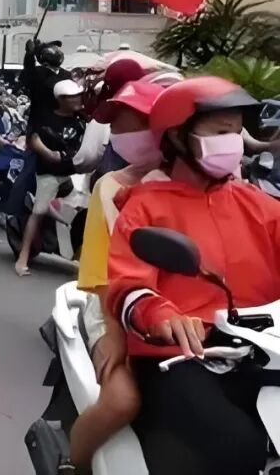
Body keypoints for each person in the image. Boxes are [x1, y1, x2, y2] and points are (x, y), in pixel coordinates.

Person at [104, 77, 279, 475]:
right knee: (239, 449)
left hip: (261, 352)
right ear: (178, 136)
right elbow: (128, 285)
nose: (233, 143)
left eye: (236, 133)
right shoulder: (145, 207)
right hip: (179, 357)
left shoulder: (259, 205)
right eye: (220, 132)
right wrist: (160, 313)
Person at [62, 80, 167, 473]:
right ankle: (75, 463)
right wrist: (115, 332)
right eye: (118, 127)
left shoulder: (194, 184)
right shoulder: (109, 186)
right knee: (123, 400)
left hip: (185, 311)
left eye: (135, 124)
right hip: (112, 305)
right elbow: (98, 270)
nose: (124, 135)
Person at [14, 79, 86, 276]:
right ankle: (23, 257)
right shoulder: (45, 118)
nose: (77, 99)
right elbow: (34, 140)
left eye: (78, 95)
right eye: (72, 97)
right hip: (49, 174)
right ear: (61, 99)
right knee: (39, 211)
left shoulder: (82, 120)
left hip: (75, 173)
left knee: (85, 212)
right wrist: (48, 153)